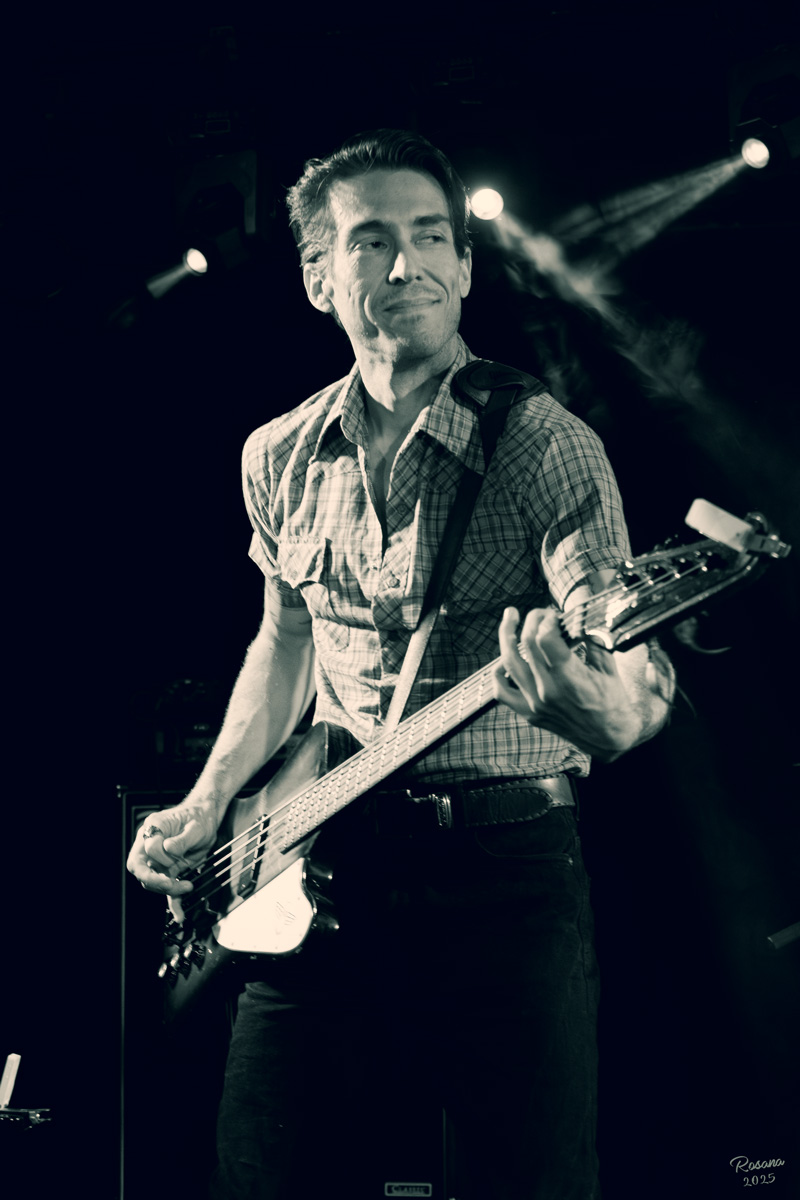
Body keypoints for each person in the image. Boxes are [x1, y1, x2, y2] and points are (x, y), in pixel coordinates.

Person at [127, 129, 675, 1199]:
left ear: (465, 268)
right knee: (258, 1175)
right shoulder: (276, 454)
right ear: (317, 278)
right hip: (323, 862)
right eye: (371, 241)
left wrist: (615, 715)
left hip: (503, 875)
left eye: (431, 238)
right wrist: (208, 802)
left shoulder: (542, 441)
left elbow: (619, 646)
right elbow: (285, 639)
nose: (407, 264)